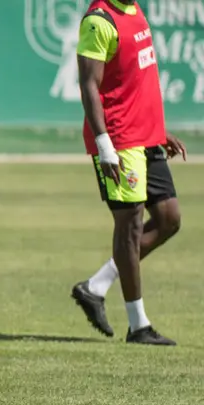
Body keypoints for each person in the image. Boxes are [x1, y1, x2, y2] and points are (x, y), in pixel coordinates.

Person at [72, 0, 186, 346]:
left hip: (145, 134)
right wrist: (105, 145)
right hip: (120, 140)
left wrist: (157, 129)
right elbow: (89, 84)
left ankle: (96, 286)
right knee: (130, 226)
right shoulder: (99, 21)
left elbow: (134, 80)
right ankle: (138, 326)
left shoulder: (134, 10)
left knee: (169, 219)